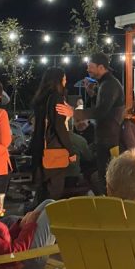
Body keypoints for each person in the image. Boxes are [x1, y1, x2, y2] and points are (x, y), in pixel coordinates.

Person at [62, 52, 124, 191]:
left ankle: (109, 205)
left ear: (101, 67)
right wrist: (92, 94)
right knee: (104, 174)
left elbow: (101, 111)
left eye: (90, 67)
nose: (88, 70)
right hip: (106, 137)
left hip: (110, 139)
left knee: (108, 175)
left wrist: (74, 112)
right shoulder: (104, 83)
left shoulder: (109, 85)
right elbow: (100, 108)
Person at [30, 68, 78, 200]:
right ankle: (49, 220)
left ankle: (36, 219)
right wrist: (71, 150)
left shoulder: (41, 97)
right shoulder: (56, 97)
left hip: (40, 148)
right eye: (64, 78)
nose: (66, 80)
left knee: (42, 192)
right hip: (54, 149)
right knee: (54, 192)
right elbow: (59, 126)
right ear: (59, 80)